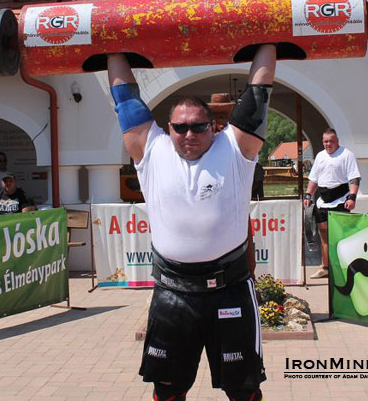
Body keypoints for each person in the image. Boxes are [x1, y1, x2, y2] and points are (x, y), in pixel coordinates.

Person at [108, 43, 276, 401]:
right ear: (167, 128)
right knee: (167, 392)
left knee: (243, 390)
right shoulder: (150, 149)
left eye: (198, 127)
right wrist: (110, 45)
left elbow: (259, 91)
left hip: (229, 289)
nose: (189, 134)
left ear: (213, 126)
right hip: (173, 292)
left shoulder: (235, 148)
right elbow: (125, 99)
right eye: (180, 127)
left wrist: (269, 40)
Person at [304, 128, 361, 279]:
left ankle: (345, 267)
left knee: (341, 235)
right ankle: (325, 267)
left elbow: (354, 178)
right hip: (323, 201)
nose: (328, 144)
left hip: (341, 199)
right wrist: (308, 194)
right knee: (323, 233)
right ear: (323, 142)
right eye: (325, 141)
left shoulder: (346, 155)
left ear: (337, 141)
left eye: (331, 141)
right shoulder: (320, 156)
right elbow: (314, 179)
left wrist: (352, 198)